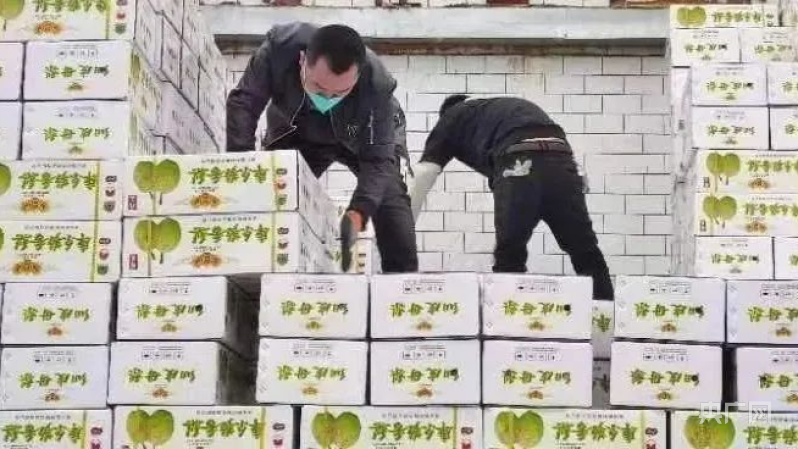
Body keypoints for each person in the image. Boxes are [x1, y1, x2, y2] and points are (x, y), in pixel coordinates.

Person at [226, 22, 418, 273]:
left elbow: (377, 162)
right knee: (272, 189)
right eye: (318, 87)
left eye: (340, 93)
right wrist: (242, 165)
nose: (326, 100)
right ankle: (256, 272)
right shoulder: (279, 49)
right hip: (298, 132)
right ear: (302, 61)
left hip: (359, 136)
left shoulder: (376, 84)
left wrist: (358, 212)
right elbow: (244, 103)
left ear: (358, 77)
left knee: (390, 197)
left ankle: (402, 285)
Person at [410, 95, 614, 299]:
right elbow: (547, 138)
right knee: (585, 250)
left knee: (510, 253)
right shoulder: (506, 108)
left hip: (519, 163)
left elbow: (425, 172)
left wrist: (404, 229)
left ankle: (507, 316)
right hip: (562, 161)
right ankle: (604, 313)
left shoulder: (452, 116)